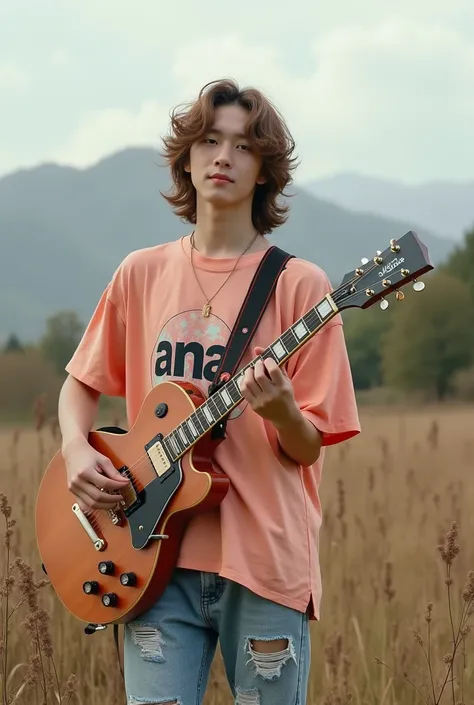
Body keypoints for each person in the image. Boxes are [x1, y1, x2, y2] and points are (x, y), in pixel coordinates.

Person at [59, 78, 361, 705]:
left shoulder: (303, 287)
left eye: (244, 146)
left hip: (263, 563)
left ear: (264, 172)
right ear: (187, 158)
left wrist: (280, 413)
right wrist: (76, 452)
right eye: (210, 140)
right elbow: (79, 384)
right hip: (149, 556)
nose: (224, 156)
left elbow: (307, 448)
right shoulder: (140, 273)